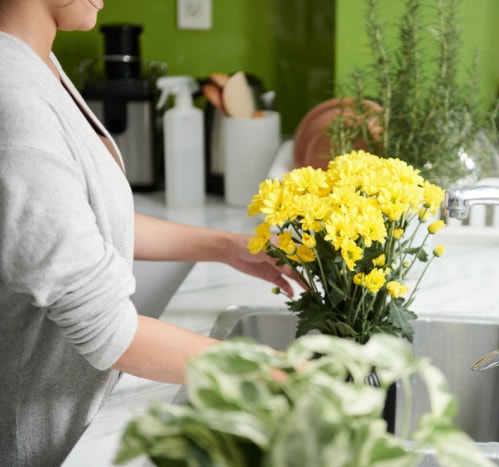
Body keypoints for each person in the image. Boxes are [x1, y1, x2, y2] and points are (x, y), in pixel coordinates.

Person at [0, 1, 298, 465]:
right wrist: (275, 371)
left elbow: (85, 225)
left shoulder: (38, 61)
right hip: (44, 445)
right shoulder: (14, 101)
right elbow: (107, 330)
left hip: (83, 423)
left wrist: (227, 247)